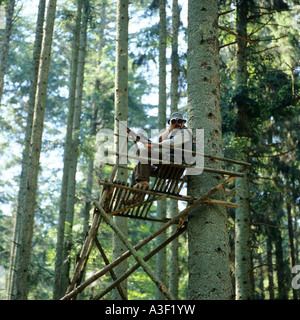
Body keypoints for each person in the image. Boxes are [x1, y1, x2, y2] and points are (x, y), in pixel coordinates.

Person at [128, 112, 190, 203]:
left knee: (145, 151)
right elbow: (160, 140)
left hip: (176, 165)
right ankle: (137, 195)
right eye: (174, 121)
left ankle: (143, 182)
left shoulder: (186, 132)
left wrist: (154, 146)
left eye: (179, 121)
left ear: (183, 123)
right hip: (167, 167)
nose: (176, 123)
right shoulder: (171, 133)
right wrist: (170, 128)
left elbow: (172, 143)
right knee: (138, 167)